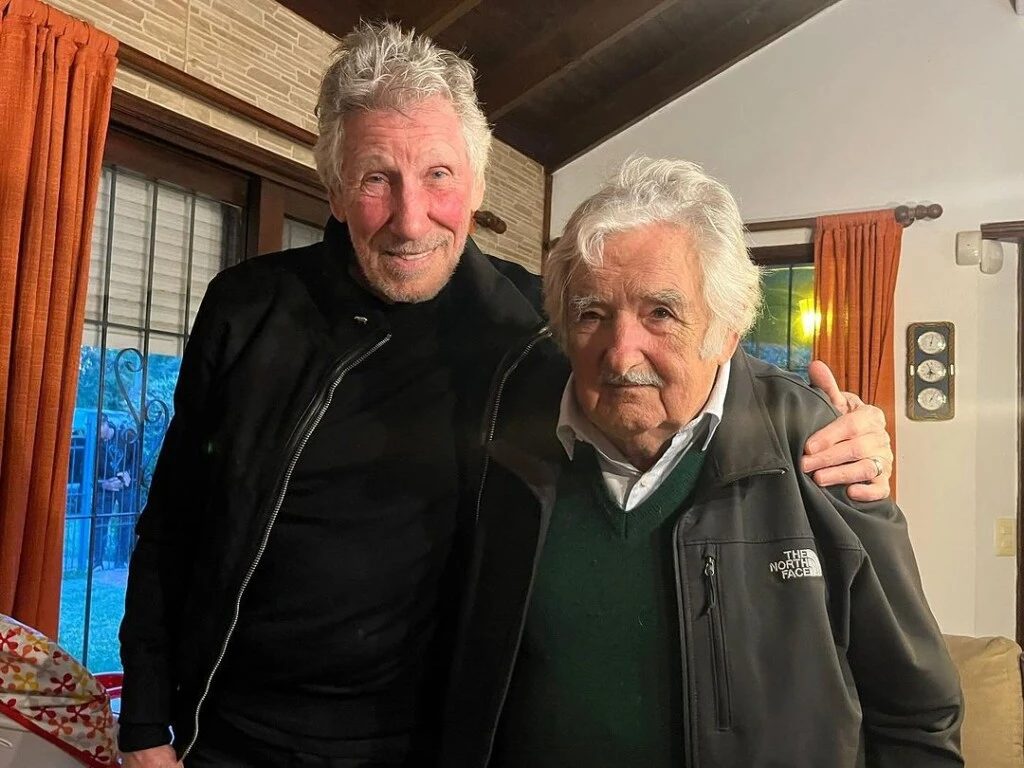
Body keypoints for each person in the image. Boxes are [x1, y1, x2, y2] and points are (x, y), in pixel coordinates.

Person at [118, 24, 896, 768]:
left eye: (438, 176)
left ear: (478, 184)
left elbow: (680, 360)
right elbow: (173, 520)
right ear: (335, 189)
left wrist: (834, 428)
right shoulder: (247, 309)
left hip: (436, 742)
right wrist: (145, 722)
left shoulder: (536, 326)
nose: (410, 219)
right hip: (231, 730)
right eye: (376, 179)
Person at [441, 157, 963, 768]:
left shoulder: (823, 449)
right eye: (591, 314)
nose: (621, 353)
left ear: (727, 328)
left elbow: (917, 715)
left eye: (660, 314)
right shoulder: (506, 443)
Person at [91, 413, 131, 570]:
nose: (98, 433)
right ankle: (97, 561)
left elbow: (136, 460)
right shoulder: (95, 444)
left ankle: (121, 560)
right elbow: (88, 472)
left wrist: (128, 474)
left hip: (124, 486)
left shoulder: (124, 436)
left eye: (99, 428)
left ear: (106, 424)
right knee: (100, 522)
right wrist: (103, 484)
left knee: (126, 521)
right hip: (105, 486)